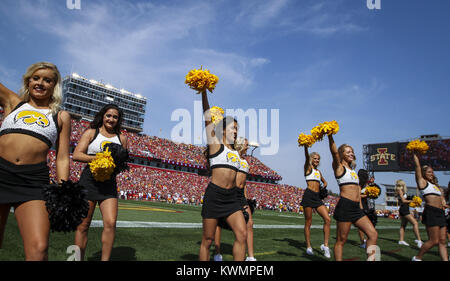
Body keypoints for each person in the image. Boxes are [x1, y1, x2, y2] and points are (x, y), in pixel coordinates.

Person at [0, 62, 71, 260]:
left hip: (33, 180)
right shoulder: (14, 102)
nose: (40, 83)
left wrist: (63, 191)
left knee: (39, 249)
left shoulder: (61, 116)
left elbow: (63, 157)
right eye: (36, 78)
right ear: (28, 81)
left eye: (47, 80)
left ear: (54, 86)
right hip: (0, 172)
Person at [73, 104, 128, 261]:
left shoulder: (122, 138)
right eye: (108, 116)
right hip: (88, 181)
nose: (111, 119)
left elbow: (122, 164)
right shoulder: (91, 132)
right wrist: (100, 159)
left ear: (118, 120)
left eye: (115, 117)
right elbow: (77, 155)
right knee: (83, 225)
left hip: (109, 183)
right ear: (103, 116)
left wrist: (112, 166)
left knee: (110, 223)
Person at [198, 90, 247, 261]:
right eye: (233, 128)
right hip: (215, 195)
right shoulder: (215, 145)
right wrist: (204, 92)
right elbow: (207, 117)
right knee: (208, 240)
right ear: (223, 130)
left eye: (237, 129)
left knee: (242, 234)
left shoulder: (235, 151)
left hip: (231, 198)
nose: (236, 132)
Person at [326, 135, 378, 261]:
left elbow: (357, 192)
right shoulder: (339, 168)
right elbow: (333, 152)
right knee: (341, 240)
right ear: (341, 154)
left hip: (356, 208)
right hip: (345, 206)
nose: (351, 153)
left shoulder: (353, 171)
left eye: (352, 151)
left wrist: (361, 206)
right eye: (348, 151)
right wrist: (330, 136)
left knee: (373, 234)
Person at [213, 137, 257, 261]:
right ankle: (217, 253)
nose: (248, 147)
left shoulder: (246, 161)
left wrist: (246, 199)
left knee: (249, 224)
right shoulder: (233, 157)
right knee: (219, 222)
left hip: (241, 196)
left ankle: (251, 257)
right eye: (246, 145)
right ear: (240, 145)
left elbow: (244, 182)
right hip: (230, 192)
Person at [412, 152, 449, 261]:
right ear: (423, 173)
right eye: (429, 172)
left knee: (442, 241)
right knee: (434, 241)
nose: (431, 174)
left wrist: (444, 204)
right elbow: (417, 167)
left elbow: (441, 200)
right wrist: (415, 153)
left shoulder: (435, 186)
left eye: (432, 172)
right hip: (431, 212)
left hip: (440, 213)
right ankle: (417, 258)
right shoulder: (422, 182)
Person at [300, 147, 331, 258]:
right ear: (311, 159)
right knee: (308, 222)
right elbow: (305, 157)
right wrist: (305, 147)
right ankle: (308, 247)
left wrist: (324, 187)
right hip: (308, 196)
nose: (317, 160)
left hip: (317, 198)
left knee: (327, 219)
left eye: (318, 159)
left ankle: (325, 245)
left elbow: (325, 182)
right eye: (315, 158)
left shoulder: (318, 172)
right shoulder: (308, 168)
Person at [395, 179, 422, 248]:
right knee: (415, 223)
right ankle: (419, 240)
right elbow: (403, 200)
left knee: (403, 225)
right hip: (404, 209)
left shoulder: (400, 190)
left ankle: (401, 240)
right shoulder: (400, 190)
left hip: (404, 209)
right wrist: (413, 201)